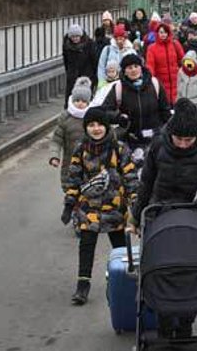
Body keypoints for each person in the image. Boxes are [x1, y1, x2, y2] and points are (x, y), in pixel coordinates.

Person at [131, 98, 197, 338]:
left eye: (188, 140)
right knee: (160, 268)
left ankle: (187, 320)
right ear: (171, 134)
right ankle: (164, 323)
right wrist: (136, 216)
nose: (182, 144)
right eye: (178, 139)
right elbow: (146, 183)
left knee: (194, 269)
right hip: (162, 215)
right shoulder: (158, 146)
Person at [63, 107, 140, 305]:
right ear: (86, 128)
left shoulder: (119, 149)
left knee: (121, 250)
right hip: (89, 208)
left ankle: (126, 283)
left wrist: (135, 205)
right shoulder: (80, 150)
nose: (96, 129)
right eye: (91, 125)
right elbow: (73, 179)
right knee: (86, 246)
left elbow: (130, 178)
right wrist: (69, 203)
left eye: (99, 125)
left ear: (106, 126)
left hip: (115, 208)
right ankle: (83, 285)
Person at [97, 53, 170, 150]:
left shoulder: (155, 84)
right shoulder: (118, 88)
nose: (133, 70)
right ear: (124, 71)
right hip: (129, 141)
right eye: (129, 67)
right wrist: (118, 118)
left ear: (141, 68)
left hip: (155, 140)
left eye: (136, 66)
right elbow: (104, 111)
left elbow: (165, 111)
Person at [49, 77, 91, 186]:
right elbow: (56, 140)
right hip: (70, 165)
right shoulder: (65, 118)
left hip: (90, 166)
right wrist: (54, 156)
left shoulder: (92, 118)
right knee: (71, 196)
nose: (80, 103)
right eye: (77, 100)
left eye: (83, 101)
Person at [145, 23, 185, 105]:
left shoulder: (175, 44)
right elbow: (150, 65)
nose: (163, 34)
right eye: (161, 32)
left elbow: (183, 60)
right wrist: (150, 78)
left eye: (165, 32)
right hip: (161, 83)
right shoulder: (152, 48)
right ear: (157, 33)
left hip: (176, 82)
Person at [62, 24, 97, 99]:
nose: (75, 39)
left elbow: (94, 59)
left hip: (87, 74)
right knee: (72, 96)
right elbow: (66, 60)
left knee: (85, 97)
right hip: (73, 74)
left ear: (80, 36)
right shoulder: (66, 45)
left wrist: (94, 76)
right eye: (73, 37)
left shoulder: (89, 44)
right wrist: (68, 72)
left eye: (77, 36)